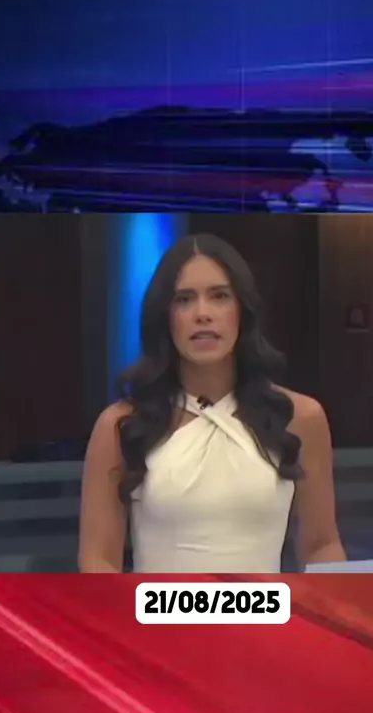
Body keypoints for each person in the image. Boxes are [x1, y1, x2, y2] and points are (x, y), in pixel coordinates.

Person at [79, 233, 346, 573]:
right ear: (164, 317)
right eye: (184, 299)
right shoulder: (121, 425)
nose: (202, 314)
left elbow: (322, 544)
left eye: (219, 296)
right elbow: (98, 560)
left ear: (242, 311)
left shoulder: (299, 417)